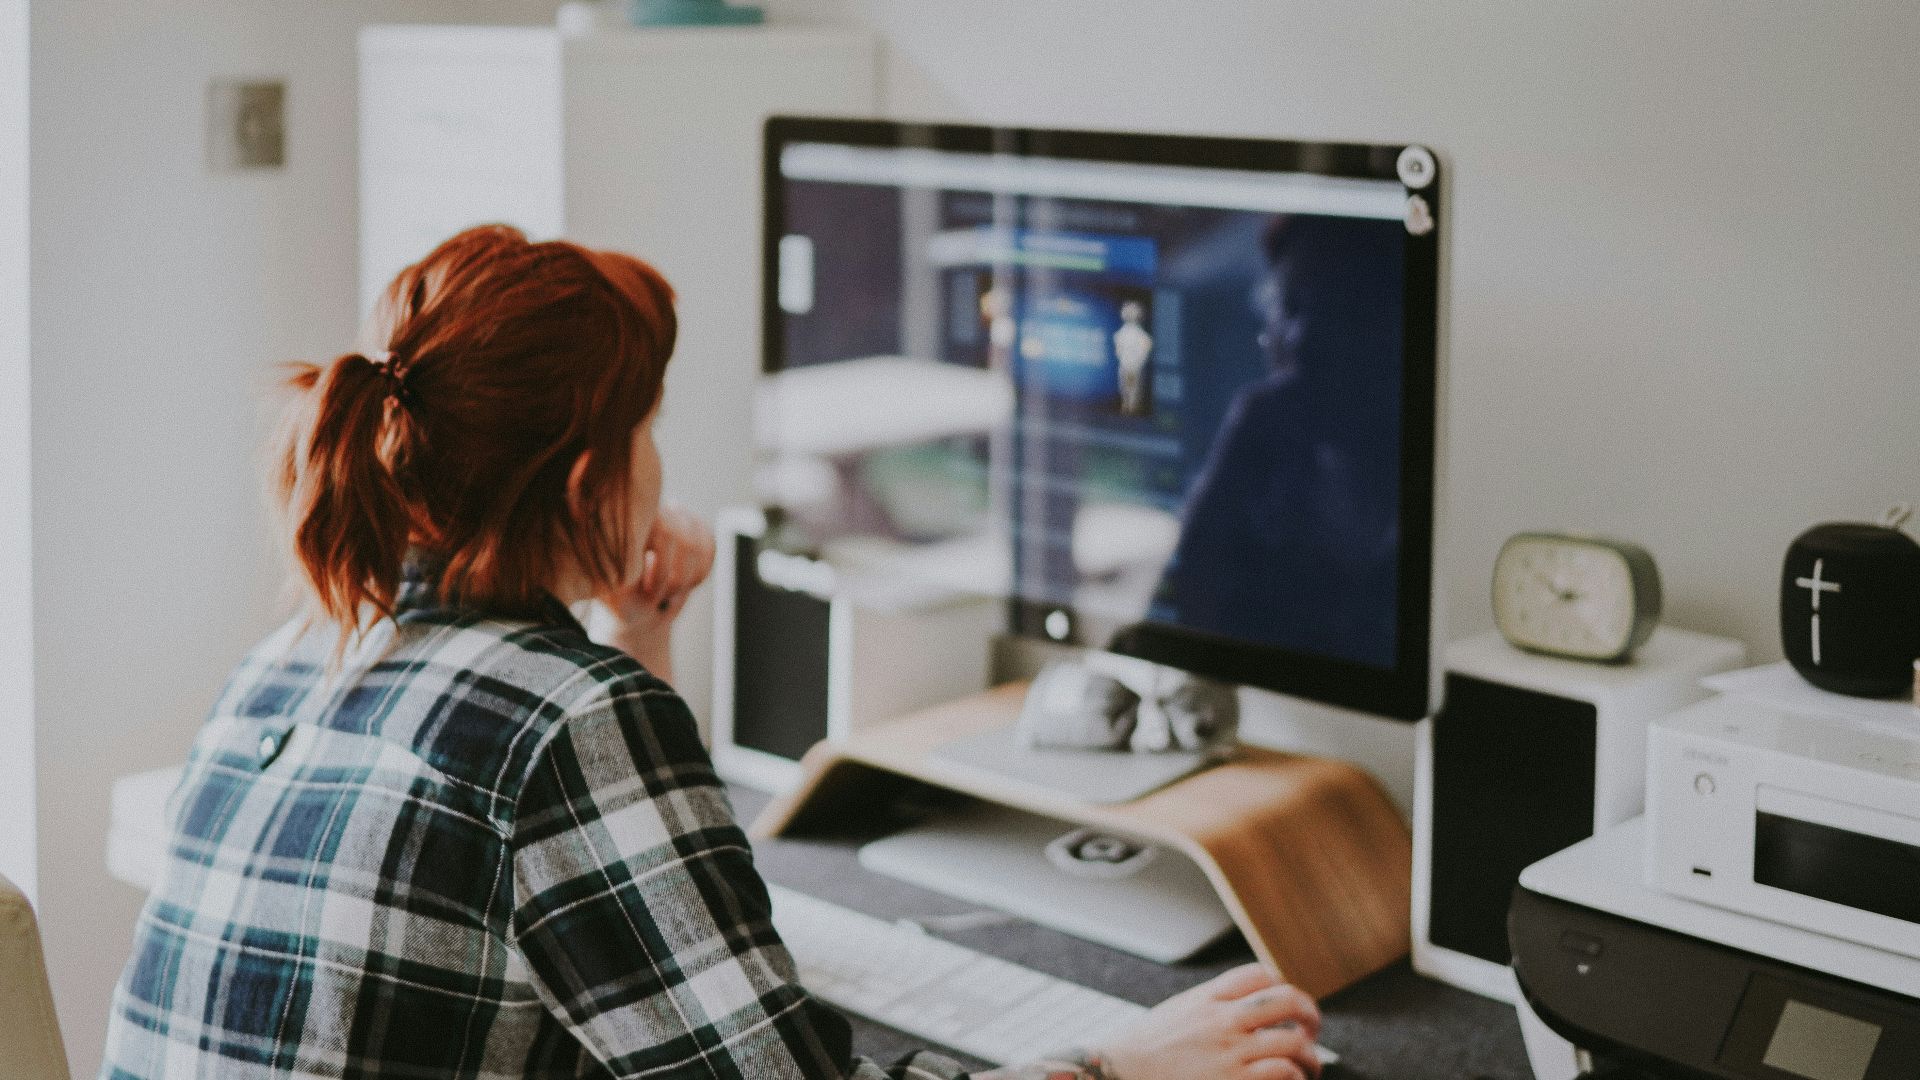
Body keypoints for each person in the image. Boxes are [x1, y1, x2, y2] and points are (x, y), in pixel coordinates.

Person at [99, 226, 1325, 1080]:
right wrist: (1120, 1066)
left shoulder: (297, 651)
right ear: (591, 479)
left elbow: (594, 914)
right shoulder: (568, 719)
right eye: (649, 430)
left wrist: (635, 637)